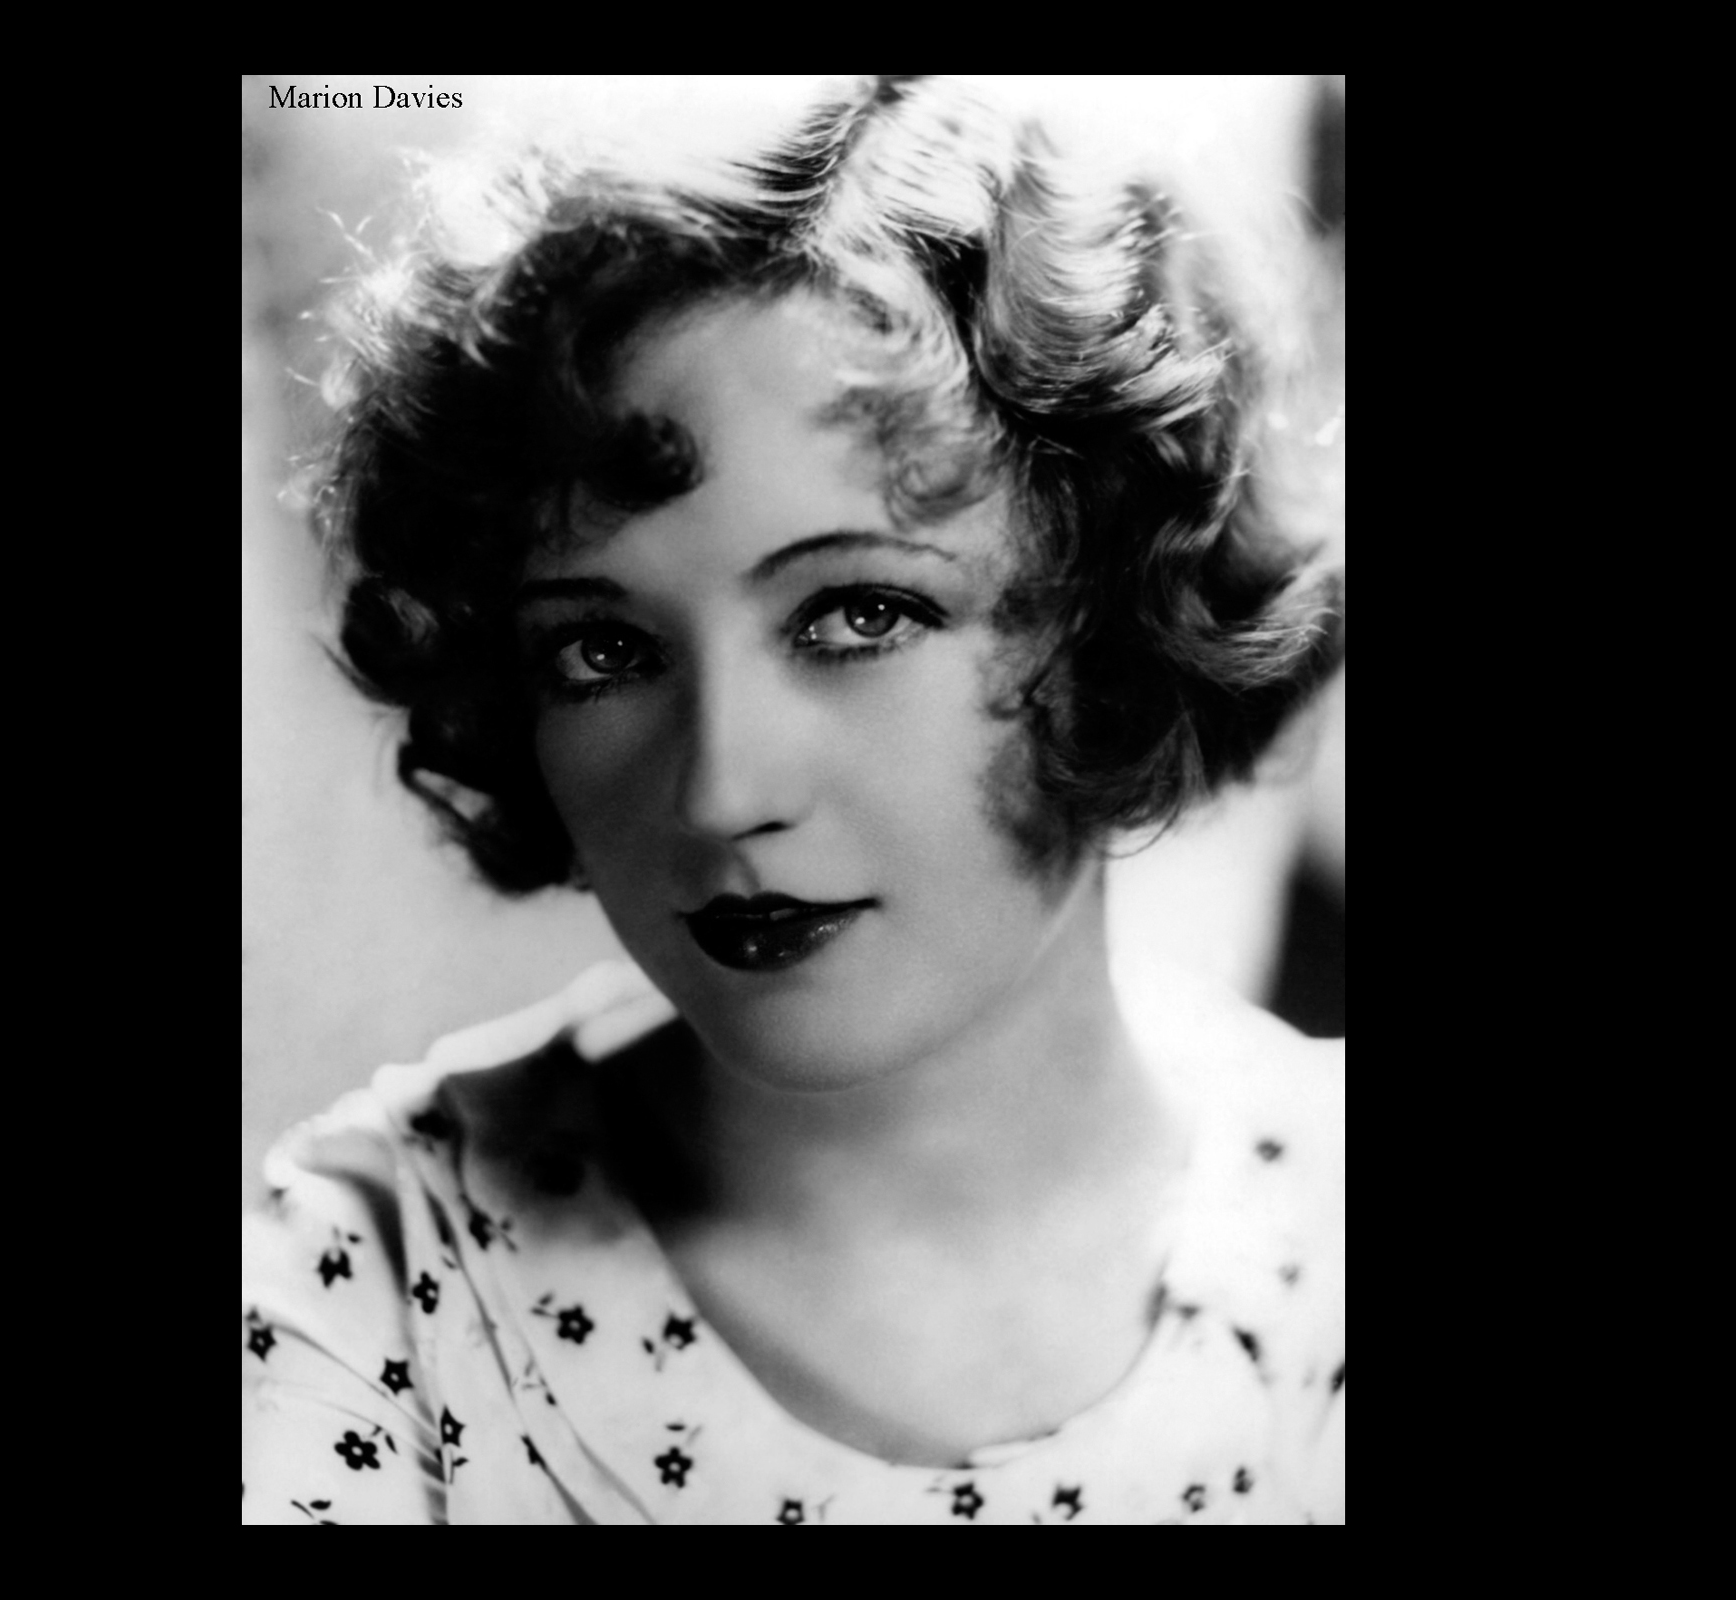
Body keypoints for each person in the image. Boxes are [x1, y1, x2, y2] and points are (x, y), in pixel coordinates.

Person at [242, 76, 1345, 1526]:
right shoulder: (375, 1281)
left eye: (860, 614)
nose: (721, 789)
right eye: (603, 650)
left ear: (1111, 626)